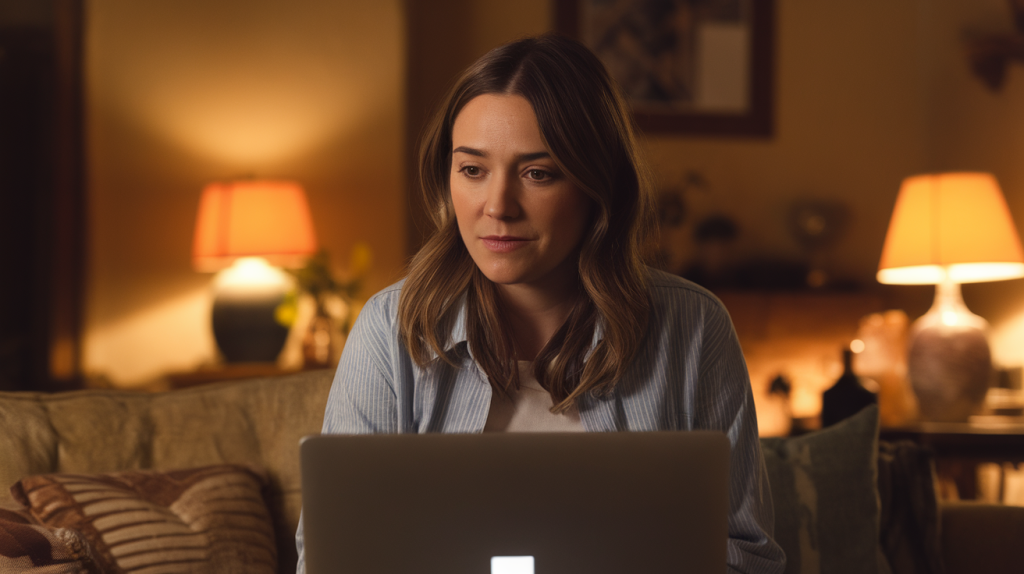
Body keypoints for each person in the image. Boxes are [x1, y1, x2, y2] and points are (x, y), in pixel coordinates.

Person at [296, 34, 785, 573]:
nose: (498, 206)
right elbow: (332, 557)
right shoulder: (391, 328)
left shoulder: (694, 327)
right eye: (473, 170)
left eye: (538, 173)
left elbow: (747, 555)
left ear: (598, 186)